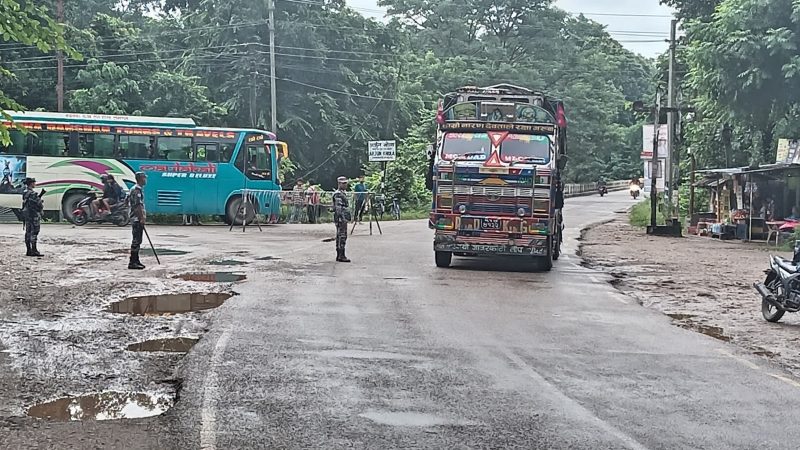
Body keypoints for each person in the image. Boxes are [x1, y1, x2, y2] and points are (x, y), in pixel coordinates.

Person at [128, 172, 147, 270]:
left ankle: (136, 260)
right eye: (144, 178)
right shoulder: (136, 190)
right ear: (140, 178)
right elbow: (137, 206)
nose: (145, 180)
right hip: (136, 219)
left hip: (136, 218)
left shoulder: (137, 189)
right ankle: (132, 262)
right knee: (136, 240)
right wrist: (141, 218)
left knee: (138, 240)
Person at [22, 177, 44, 257]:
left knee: (28, 232)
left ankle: (28, 250)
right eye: (34, 182)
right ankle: (34, 250)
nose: (35, 183)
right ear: (31, 183)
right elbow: (38, 205)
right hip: (34, 215)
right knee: (34, 232)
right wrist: (40, 201)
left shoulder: (25, 192)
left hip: (27, 215)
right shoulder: (33, 194)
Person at [333, 176, 351, 263]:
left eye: (346, 183)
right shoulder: (338, 194)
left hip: (343, 216)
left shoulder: (343, 193)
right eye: (343, 183)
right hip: (341, 217)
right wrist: (341, 218)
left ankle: (340, 254)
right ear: (339, 184)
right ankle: (341, 254)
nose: (345, 185)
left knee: (341, 235)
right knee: (342, 236)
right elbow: (338, 207)